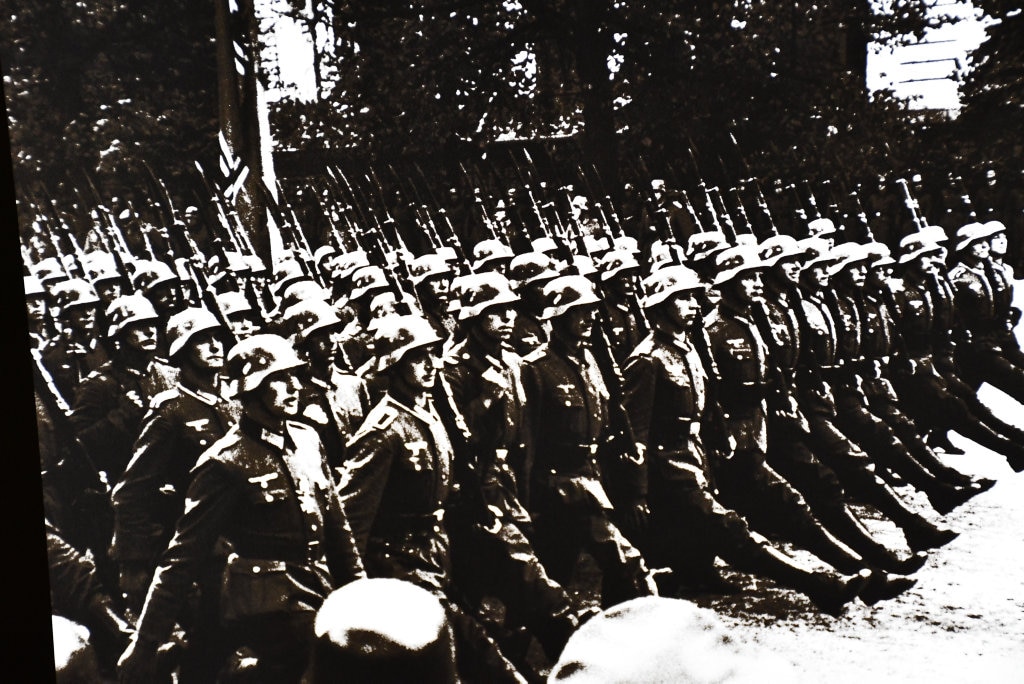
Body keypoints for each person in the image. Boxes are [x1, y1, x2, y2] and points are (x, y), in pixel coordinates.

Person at [622, 264, 870, 615]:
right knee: (731, 530)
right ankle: (818, 585)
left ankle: (692, 576)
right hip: (669, 465)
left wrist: (720, 439)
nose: (694, 304)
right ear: (661, 306)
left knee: (705, 532)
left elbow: (705, 406)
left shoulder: (687, 347)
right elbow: (637, 434)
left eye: (694, 297)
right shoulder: (648, 359)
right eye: (682, 298)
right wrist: (637, 492)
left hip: (695, 456)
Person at [118, 334, 365, 683]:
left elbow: (339, 531)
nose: (294, 386)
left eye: (295, 375)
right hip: (269, 605)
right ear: (252, 389)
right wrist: (144, 644)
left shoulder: (307, 440)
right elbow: (182, 557)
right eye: (279, 378)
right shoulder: (224, 462)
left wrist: (360, 592)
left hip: (318, 588)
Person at [338, 314, 525, 683]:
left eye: (432, 353)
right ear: (394, 365)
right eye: (417, 357)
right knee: (467, 649)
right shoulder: (383, 431)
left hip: (436, 550)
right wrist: (357, 587)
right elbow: (352, 517)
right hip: (399, 560)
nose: (430, 364)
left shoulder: (430, 412)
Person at [438, 272, 584, 674]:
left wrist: (527, 487)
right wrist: (485, 397)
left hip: (509, 486)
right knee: (529, 583)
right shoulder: (453, 371)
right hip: (475, 494)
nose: (505, 320)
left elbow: (527, 434)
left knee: (506, 591)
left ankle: (514, 660)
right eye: (494, 314)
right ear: (473, 319)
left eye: (508, 312)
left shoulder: (513, 364)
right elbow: (455, 439)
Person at [521, 275, 657, 609]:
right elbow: (527, 441)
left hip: (592, 477)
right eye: (578, 312)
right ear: (557, 317)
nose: (588, 318)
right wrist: (528, 500)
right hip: (559, 485)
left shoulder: (591, 358)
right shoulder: (536, 368)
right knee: (625, 563)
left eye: (592, 310)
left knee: (553, 577)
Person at [110, 308, 240, 614]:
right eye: (202, 340)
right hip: (202, 547)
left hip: (246, 538)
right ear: (182, 350)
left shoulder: (235, 402)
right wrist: (135, 562)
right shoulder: (170, 412)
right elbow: (131, 492)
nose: (215, 346)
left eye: (216, 337)